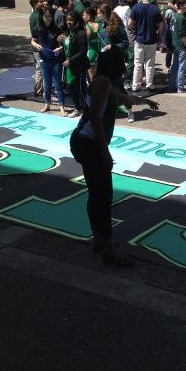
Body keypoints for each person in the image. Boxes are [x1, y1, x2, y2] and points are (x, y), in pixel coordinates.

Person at [69, 47, 158, 266]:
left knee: (96, 194)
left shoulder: (104, 82)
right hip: (89, 143)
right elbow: (97, 119)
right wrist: (104, 151)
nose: (125, 66)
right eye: (122, 63)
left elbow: (120, 98)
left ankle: (100, 240)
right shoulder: (101, 83)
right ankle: (108, 249)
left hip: (85, 142)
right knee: (103, 196)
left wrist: (143, 101)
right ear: (116, 65)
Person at [31, 6, 66, 116]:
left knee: (58, 84)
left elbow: (63, 43)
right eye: (46, 17)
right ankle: (47, 103)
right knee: (46, 84)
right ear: (42, 17)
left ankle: (61, 105)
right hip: (44, 60)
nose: (48, 18)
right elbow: (32, 40)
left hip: (55, 60)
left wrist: (59, 48)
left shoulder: (56, 29)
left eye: (50, 16)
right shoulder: (38, 28)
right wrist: (37, 46)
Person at [128, 0, 163, 92]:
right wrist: (156, 31)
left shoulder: (136, 7)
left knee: (138, 64)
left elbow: (129, 24)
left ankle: (135, 85)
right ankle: (149, 84)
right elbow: (161, 25)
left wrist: (136, 28)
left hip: (139, 39)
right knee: (149, 64)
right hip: (152, 40)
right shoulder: (155, 9)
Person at [62, 11, 89, 118]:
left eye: (71, 20)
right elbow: (68, 47)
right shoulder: (69, 33)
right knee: (71, 88)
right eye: (67, 20)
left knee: (80, 89)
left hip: (79, 66)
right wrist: (60, 43)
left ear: (77, 21)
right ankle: (77, 108)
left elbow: (83, 51)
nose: (69, 22)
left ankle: (86, 110)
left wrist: (71, 60)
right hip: (69, 67)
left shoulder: (81, 33)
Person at [169, 0, 186, 94]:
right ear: (180, 6)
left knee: (175, 66)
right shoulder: (181, 18)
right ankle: (180, 87)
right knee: (181, 67)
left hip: (175, 45)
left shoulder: (174, 16)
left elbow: (172, 31)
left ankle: (172, 85)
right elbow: (183, 35)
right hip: (181, 46)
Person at [29, 0, 45, 96]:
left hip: (38, 45)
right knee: (40, 68)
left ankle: (40, 88)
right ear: (35, 4)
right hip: (38, 46)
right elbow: (37, 33)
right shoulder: (36, 16)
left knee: (39, 67)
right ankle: (38, 90)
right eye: (40, 2)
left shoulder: (37, 14)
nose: (43, 3)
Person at [83, 7, 104, 80]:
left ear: (88, 16)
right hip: (99, 52)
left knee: (91, 77)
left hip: (90, 52)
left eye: (84, 15)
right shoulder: (100, 25)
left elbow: (86, 39)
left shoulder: (87, 26)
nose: (83, 17)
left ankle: (93, 90)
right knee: (98, 74)